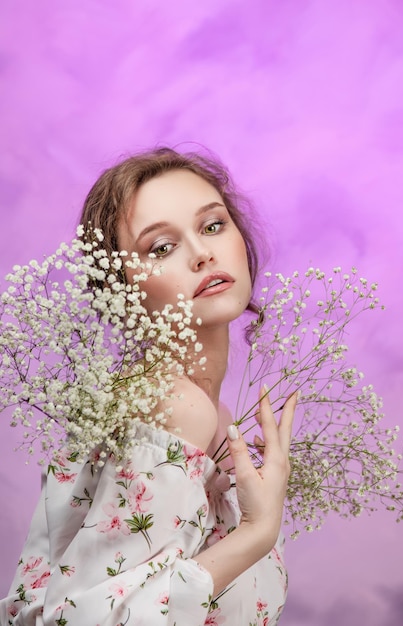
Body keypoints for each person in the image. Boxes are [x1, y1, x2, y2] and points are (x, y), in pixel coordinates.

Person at [0, 148, 296, 626]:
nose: (203, 254)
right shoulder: (175, 407)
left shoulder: (215, 417)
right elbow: (87, 618)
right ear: (122, 287)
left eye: (213, 225)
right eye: (162, 247)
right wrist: (257, 532)